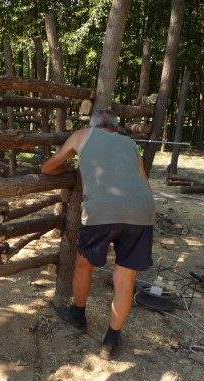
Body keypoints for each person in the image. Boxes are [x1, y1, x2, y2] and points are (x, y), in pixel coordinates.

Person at [41, 109, 154, 360]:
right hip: (142, 210)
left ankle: (78, 315)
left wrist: (68, 170)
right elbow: (144, 182)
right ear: (115, 127)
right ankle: (111, 341)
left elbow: (48, 167)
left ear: (93, 125)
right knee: (125, 278)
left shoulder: (82, 135)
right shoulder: (130, 143)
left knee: (84, 265)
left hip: (102, 209)